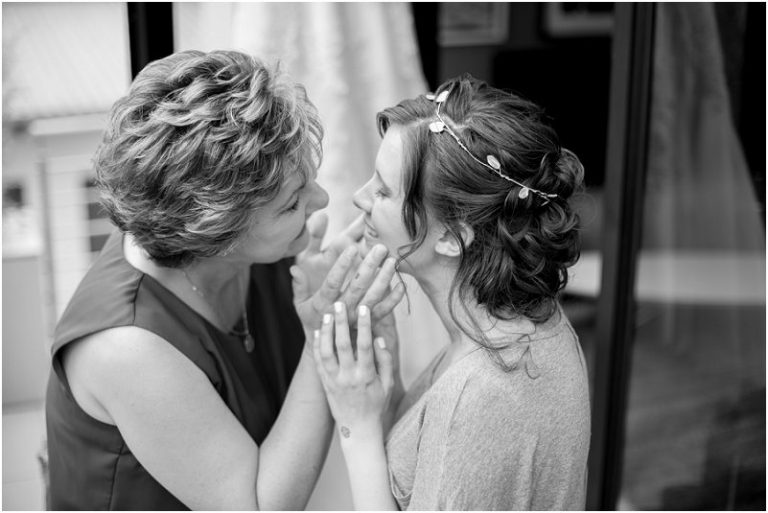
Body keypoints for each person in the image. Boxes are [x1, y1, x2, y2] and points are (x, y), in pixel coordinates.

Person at [44, 49, 405, 510]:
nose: (322, 201)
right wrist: (321, 338)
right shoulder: (124, 347)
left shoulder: (265, 249)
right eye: (292, 203)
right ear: (217, 235)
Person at [312, 74, 591, 510]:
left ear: (452, 238)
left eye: (383, 191)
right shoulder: (526, 325)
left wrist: (356, 426)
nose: (360, 198)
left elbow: (459, 434)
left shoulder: (480, 393)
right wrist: (388, 384)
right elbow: (428, 468)